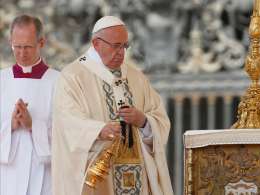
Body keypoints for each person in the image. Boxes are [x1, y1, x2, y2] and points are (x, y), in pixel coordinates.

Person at [52, 16, 173, 195]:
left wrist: (144, 121)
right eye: (115, 45)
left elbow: (160, 119)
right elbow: (66, 121)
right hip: (100, 178)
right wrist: (98, 130)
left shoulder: (136, 77)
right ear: (96, 43)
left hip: (137, 173)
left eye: (124, 46)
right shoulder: (73, 76)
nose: (121, 52)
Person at [0, 14, 60, 195]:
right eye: (16, 46)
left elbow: (67, 134)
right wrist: (10, 126)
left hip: (44, 176)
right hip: (6, 176)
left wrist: (33, 125)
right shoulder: (1, 80)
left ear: (41, 43)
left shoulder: (59, 81)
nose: (21, 53)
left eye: (27, 47)